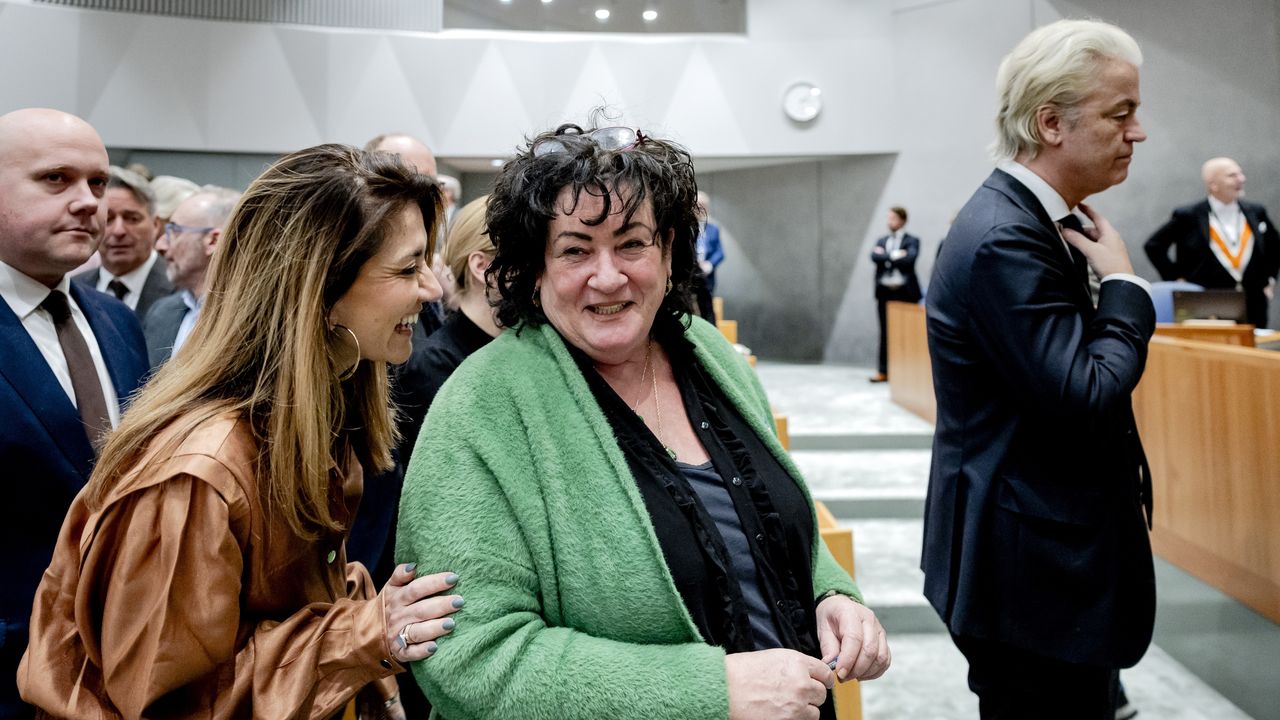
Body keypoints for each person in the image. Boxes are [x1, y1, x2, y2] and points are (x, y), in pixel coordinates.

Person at [397, 124, 890, 720]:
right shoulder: (482, 404)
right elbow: (472, 656)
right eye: (575, 250)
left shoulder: (707, 353)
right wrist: (708, 693)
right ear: (535, 266)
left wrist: (831, 592)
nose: (608, 276)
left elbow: (770, 519)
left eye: (631, 243)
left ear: (668, 248)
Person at [19, 144, 464, 719]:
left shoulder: (310, 421)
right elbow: (164, 702)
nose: (431, 289)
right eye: (407, 268)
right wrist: (363, 636)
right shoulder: (200, 472)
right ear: (319, 287)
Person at [923, 19, 1156, 719]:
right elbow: (1085, 390)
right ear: (1051, 123)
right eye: (1120, 113)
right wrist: (1126, 288)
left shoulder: (1034, 218)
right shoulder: (1006, 236)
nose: (1138, 132)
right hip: (1030, 575)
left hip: (1037, 561)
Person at [0, 107, 150, 720]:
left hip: (121, 661)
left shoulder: (117, 321)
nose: (90, 202)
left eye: (97, 181)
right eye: (55, 179)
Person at [1143, 157, 1280, 328]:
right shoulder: (1189, 215)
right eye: (1232, 175)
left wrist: (1270, 279)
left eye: (1240, 174)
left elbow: (1275, 246)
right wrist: (1176, 279)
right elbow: (1154, 246)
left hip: (1253, 300)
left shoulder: (1256, 211)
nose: (1241, 179)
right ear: (1213, 184)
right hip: (1207, 301)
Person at [143, 185, 239, 369]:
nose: (160, 245)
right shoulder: (161, 313)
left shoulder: (253, 321)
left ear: (213, 241)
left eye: (174, 231)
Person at [74, 166, 174, 319]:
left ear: (155, 225)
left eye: (132, 219)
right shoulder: (73, 289)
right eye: (108, 219)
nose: (118, 231)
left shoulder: (180, 288)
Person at [869, 206, 922, 383]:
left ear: (902, 220)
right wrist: (895, 255)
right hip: (884, 293)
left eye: (893, 218)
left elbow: (910, 259)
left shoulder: (912, 240)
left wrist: (886, 256)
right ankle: (883, 371)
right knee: (885, 332)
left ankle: (909, 372)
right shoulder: (882, 240)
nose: (889, 221)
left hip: (905, 293)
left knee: (908, 333)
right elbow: (874, 257)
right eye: (888, 217)